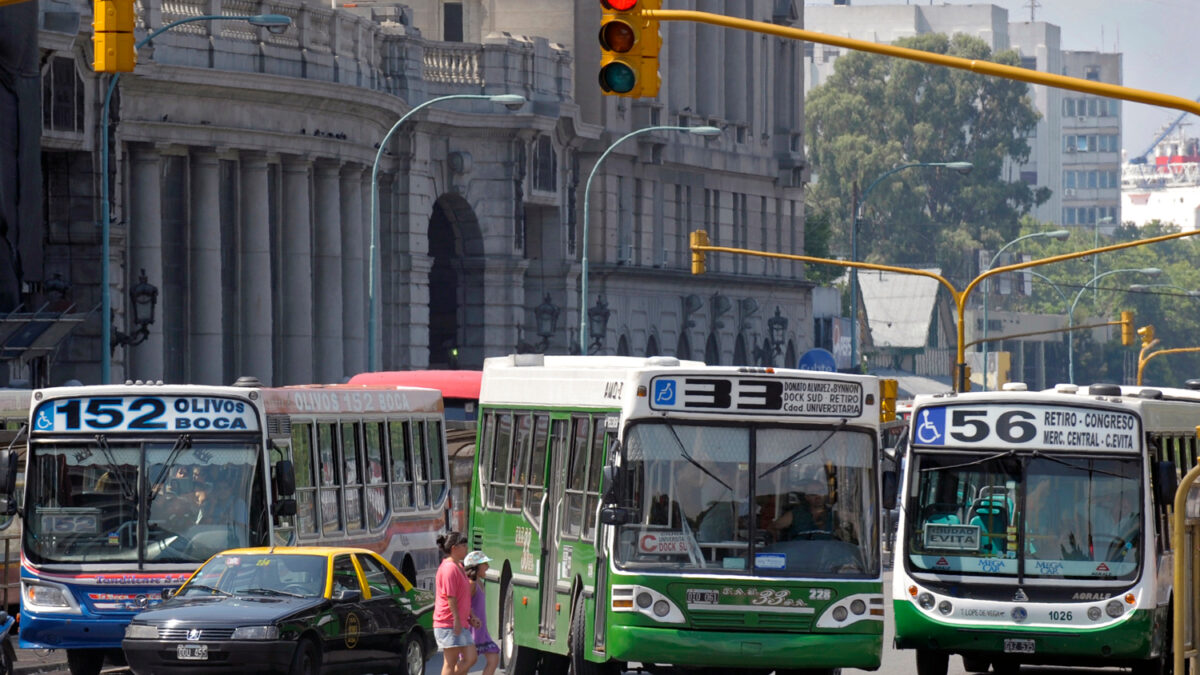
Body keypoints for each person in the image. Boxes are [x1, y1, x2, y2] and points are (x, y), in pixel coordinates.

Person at [434, 532, 478, 675]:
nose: (467, 548)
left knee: (471, 658)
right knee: (450, 663)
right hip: (449, 623)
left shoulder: (458, 566)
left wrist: (471, 616)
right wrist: (457, 620)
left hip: (460, 622)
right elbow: (451, 597)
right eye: (463, 546)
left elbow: (463, 596)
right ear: (454, 548)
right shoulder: (449, 568)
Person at [463, 550, 499, 675]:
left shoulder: (480, 582)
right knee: (466, 663)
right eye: (485, 564)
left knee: (493, 658)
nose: (488, 567)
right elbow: (464, 604)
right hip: (472, 629)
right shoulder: (471, 584)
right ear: (476, 567)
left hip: (482, 630)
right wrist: (472, 617)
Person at [769, 479, 835, 541]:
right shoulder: (796, 514)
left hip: (828, 551)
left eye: (820, 492)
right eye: (813, 494)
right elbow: (772, 528)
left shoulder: (833, 514)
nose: (818, 497)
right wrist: (776, 545)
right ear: (807, 497)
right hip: (799, 551)